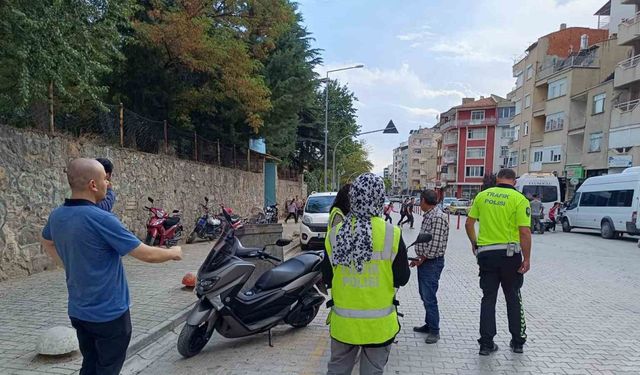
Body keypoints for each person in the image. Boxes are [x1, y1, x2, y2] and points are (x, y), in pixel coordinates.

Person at [40, 158, 183, 375]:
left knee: (90, 363)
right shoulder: (102, 219)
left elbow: (47, 242)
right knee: (108, 368)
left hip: (79, 311)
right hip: (109, 314)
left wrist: (67, 265)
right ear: (93, 185)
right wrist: (173, 253)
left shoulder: (57, 215)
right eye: (105, 180)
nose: (109, 184)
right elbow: (146, 254)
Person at [322, 173, 410, 375]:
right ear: (380, 198)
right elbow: (402, 278)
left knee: (337, 369)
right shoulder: (392, 233)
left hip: (343, 324)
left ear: (353, 197)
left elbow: (327, 276)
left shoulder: (335, 233)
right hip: (379, 326)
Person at [464, 168, 531, 356]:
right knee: (513, 298)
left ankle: (486, 344)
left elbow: (469, 223)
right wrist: (527, 258)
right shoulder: (519, 199)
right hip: (510, 256)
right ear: (514, 182)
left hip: (486, 256)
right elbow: (524, 232)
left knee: (488, 298)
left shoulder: (482, 196)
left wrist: (474, 243)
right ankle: (517, 342)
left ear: (497, 180)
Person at [411, 189, 449, 344]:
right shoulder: (429, 216)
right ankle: (429, 323)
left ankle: (434, 330)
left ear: (424, 201)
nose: (419, 204)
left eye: (420, 201)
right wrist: (419, 258)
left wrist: (422, 258)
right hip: (425, 261)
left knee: (429, 296)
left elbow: (435, 245)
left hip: (432, 262)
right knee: (424, 294)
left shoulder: (437, 218)